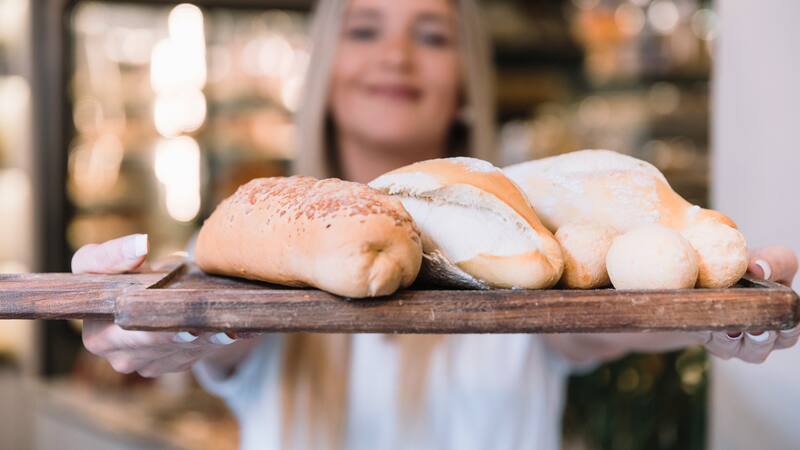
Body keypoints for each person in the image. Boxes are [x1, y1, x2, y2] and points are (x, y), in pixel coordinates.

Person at [71, 0, 799, 449]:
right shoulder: (260, 247)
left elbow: (613, 313)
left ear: (462, 79)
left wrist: (725, 312)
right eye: (365, 28)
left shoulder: (527, 245)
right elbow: (214, 339)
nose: (396, 55)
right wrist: (154, 324)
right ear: (324, 71)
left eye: (431, 34)